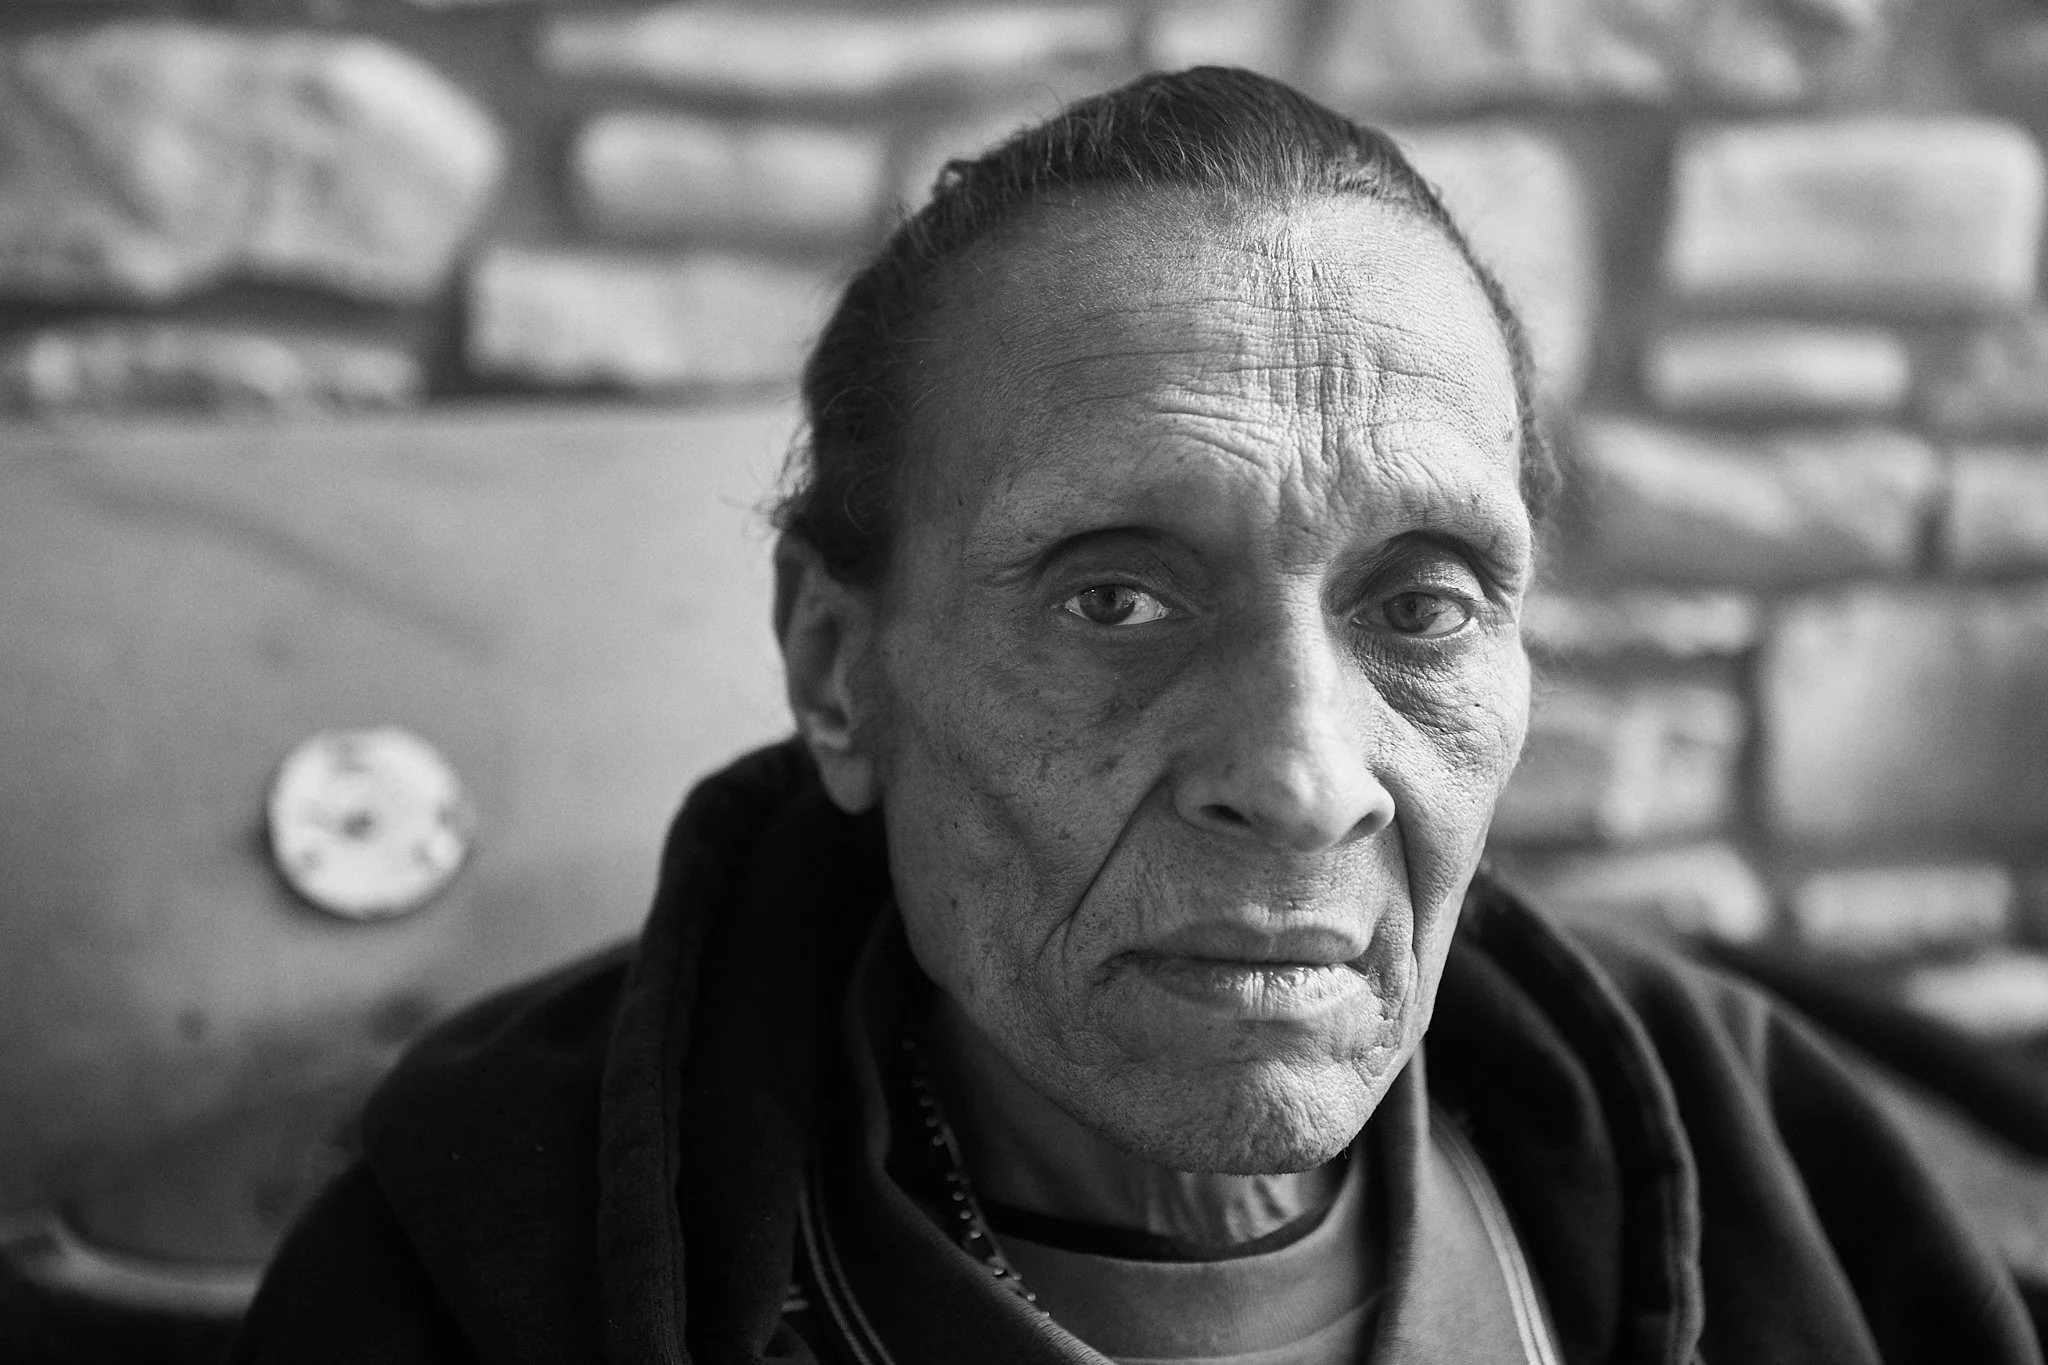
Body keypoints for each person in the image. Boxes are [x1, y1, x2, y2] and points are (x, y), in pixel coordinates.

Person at [229, 67, 2043, 1365]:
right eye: (1117, 598)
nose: (1304, 776)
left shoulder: (1756, 1160)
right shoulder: (470, 1269)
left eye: (1421, 605)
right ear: (834, 669)